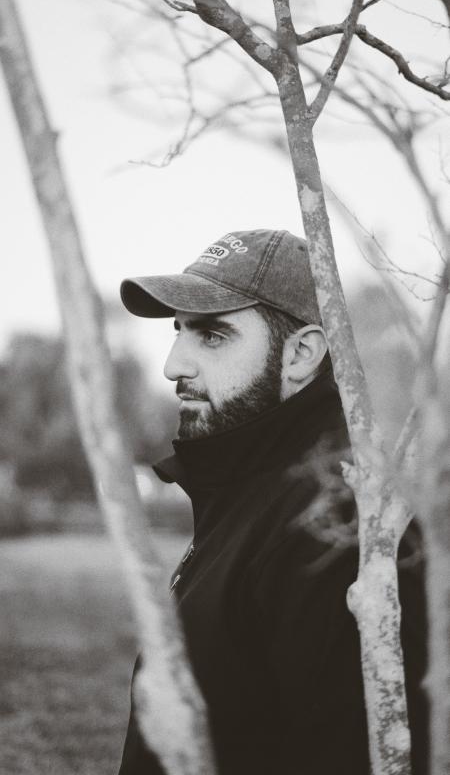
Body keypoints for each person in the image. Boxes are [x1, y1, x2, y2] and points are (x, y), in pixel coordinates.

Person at [118, 229, 428, 775]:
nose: (173, 366)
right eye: (179, 332)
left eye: (211, 336)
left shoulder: (332, 522)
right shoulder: (250, 492)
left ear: (302, 353)